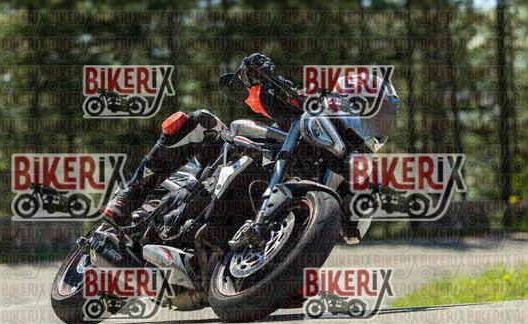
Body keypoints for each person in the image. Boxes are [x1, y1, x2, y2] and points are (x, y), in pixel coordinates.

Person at [105, 53, 398, 224]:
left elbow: (350, 231)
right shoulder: (308, 108)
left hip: (268, 238)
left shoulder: (355, 169)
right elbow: (257, 97)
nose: (370, 126)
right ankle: (128, 197)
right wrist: (260, 75)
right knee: (200, 122)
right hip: (248, 157)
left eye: (378, 122)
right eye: (370, 115)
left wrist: (369, 195)